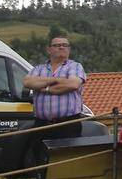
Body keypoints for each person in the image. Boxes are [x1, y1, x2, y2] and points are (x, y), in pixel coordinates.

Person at [22, 36, 87, 165]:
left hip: (68, 124)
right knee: (42, 161)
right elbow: (27, 81)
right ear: (49, 49)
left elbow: (73, 84)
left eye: (65, 45)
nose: (62, 47)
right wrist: (56, 80)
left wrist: (45, 88)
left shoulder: (75, 66)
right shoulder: (38, 68)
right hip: (42, 125)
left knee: (67, 162)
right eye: (57, 45)